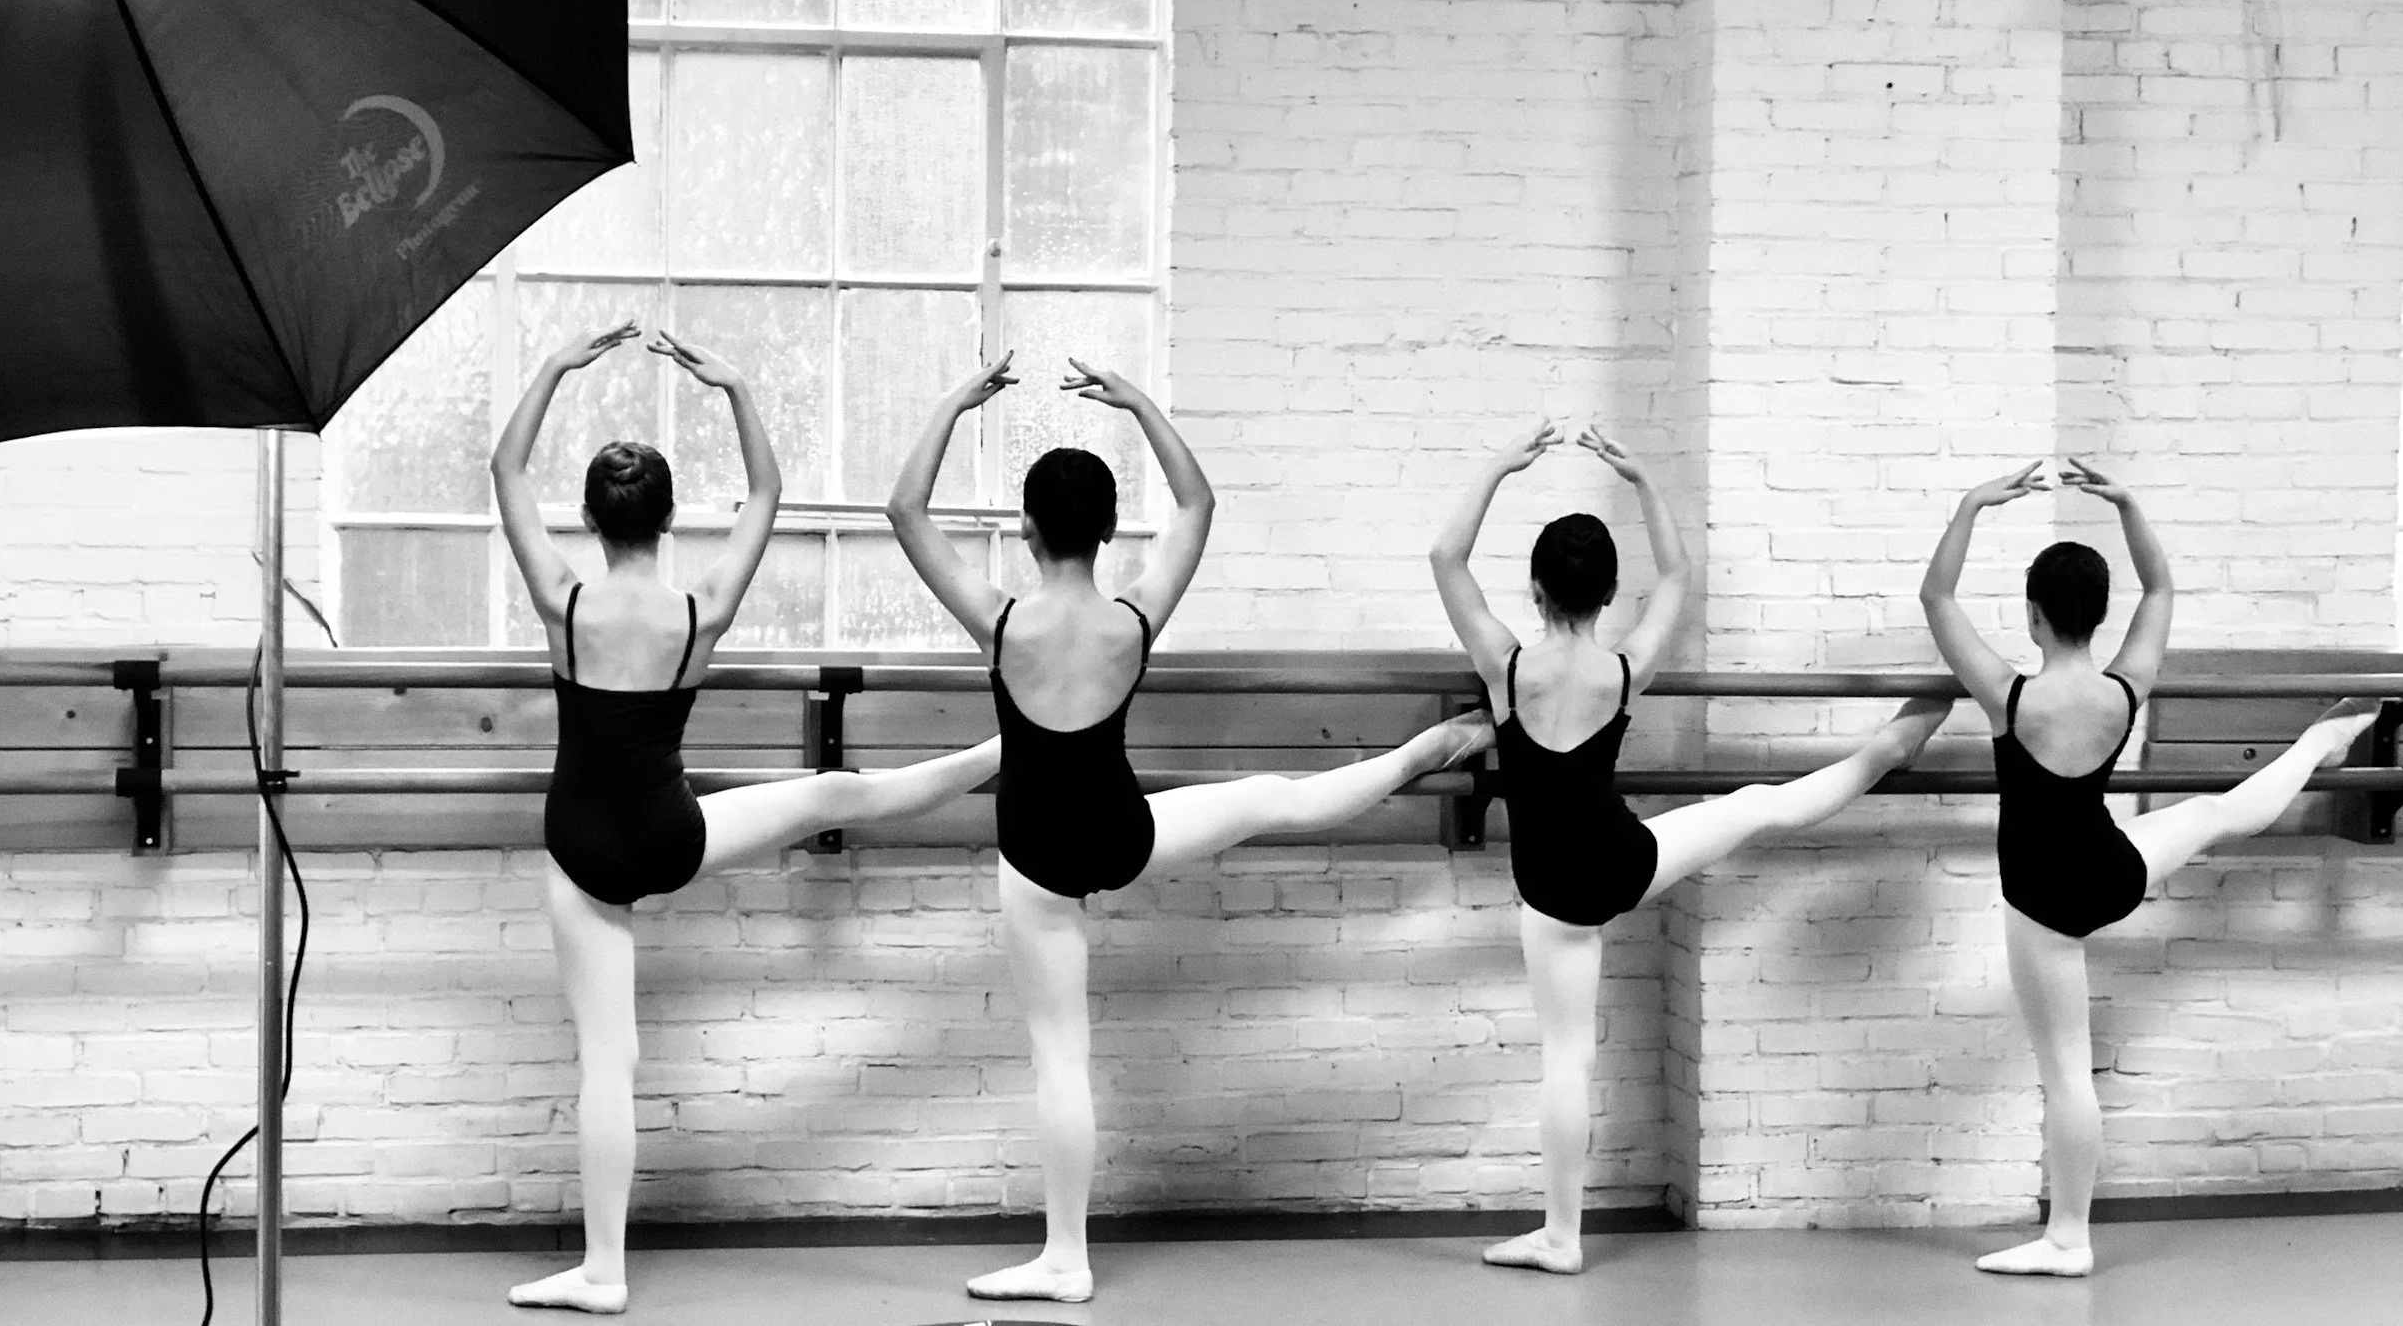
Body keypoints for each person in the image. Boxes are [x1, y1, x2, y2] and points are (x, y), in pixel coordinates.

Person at [887, 353, 1492, 1303]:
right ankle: (1417, 754)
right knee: (1276, 797)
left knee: (1062, 1054)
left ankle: (1066, 1258)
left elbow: (905, 512)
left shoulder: (1001, 624)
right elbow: (1198, 504)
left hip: (1038, 860)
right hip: (1123, 833)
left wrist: (958, 401)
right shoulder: (1133, 621)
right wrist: (1139, 404)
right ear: (1103, 533)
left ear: (1028, 529)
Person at [496, 324, 1004, 1315]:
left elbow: (505, 465)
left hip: (579, 844)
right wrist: (733, 389)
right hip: (669, 834)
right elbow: (767, 495)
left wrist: (557, 366)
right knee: (834, 792)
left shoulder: (561, 603)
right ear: (670, 517)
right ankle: (999, 751)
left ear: (590, 521)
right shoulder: (701, 608)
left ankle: (602, 1270)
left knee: (610, 1059)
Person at [1431, 419, 1950, 1276]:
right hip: (1625, 861)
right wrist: (1638, 476)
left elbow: (1446, 559)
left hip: (1550, 889)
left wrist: (1499, 466)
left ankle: (1561, 1235)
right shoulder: (1626, 666)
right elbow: (1677, 573)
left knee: (1566, 1054)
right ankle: (1883, 751)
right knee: (1756, 805)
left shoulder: (1505, 666)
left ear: (1532, 589)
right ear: (1607, 595)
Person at [1920, 457, 2376, 1278]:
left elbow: (1936, 599)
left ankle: (2068, 1237)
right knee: (2215, 813)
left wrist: (1972, 504)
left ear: (2032, 616)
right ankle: (2321, 740)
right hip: (2112, 868)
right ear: (2098, 617)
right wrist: (2128, 506)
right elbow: (2160, 592)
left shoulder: (2007, 695)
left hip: (2042, 903)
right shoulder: (2124, 688)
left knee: (2066, 1071)